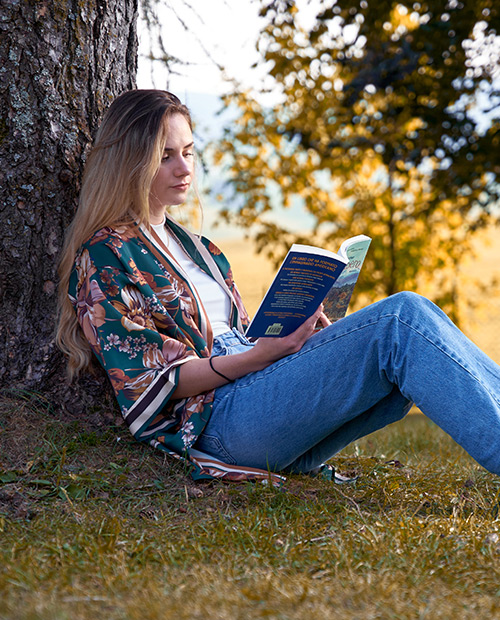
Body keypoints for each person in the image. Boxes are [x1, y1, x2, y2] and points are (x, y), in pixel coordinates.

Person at [57, 89, 500, 484]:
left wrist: (302, 340)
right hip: (217, 423)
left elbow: (247, 341)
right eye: (166, 155)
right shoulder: (107, 255)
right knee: (402, 319)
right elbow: (148, 381)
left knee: (415, 324)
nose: (183, 168)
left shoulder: (201, 249)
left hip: (259, 399)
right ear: (131, 160)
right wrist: (258, 357)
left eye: (189, 153)